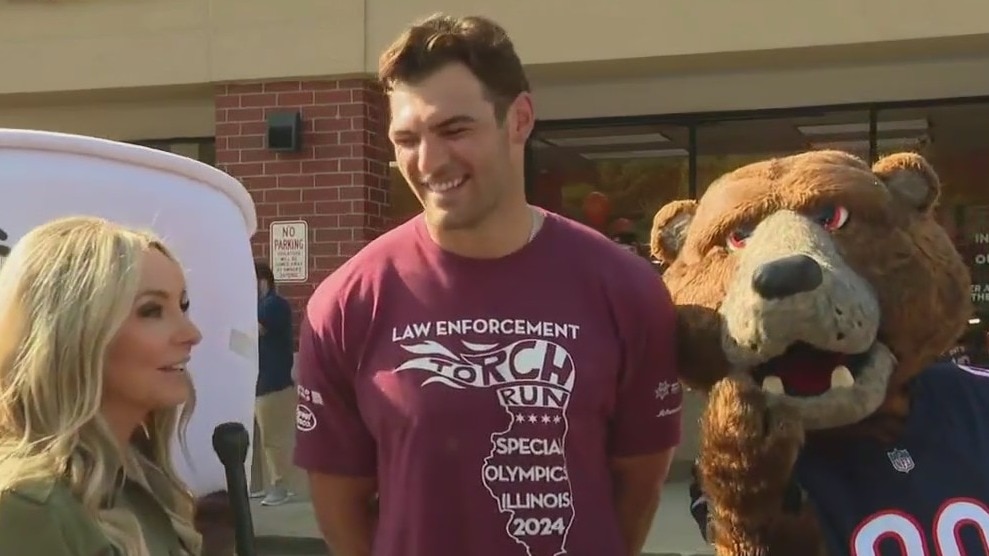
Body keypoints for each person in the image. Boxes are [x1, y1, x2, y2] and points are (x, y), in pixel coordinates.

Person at [293, 13, 683, 556]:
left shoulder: (624, 288)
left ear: (519, 119)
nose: (428, 162)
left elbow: (638, 482)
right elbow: (340, 502)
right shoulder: (348, 302)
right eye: (407, 138)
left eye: (454, 130)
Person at [0, 216, 203, 556]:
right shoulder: (28, 506)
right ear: (74, 333)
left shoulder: (136, 478)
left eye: (182, 305)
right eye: (152, 310)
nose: (191, 334)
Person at [250, 261, 296, 506]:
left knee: (273, 439)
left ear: (264, 280)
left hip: (273, 383)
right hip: (256, 383)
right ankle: (255, 485)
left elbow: (252, 331)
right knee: (254, 440)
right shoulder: (258, 305)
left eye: (253, 279)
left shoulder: (272, 305)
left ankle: (280, 487)